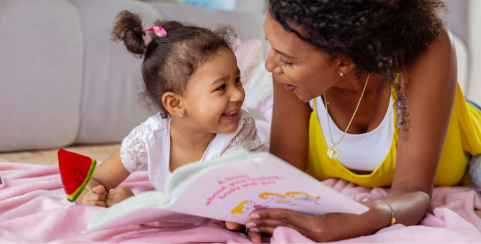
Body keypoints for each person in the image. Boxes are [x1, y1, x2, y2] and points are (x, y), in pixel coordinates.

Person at [226, 0, 481, 243]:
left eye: (287, 59)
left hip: (467, 141)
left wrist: (360, 219)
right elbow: (283, 177)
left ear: (344, 61)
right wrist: (255, 213)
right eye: (271, 44)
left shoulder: (427, 51)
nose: (270, 65)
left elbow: (413, 190)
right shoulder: (290, 77)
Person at [75, 11, 263, 207]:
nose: (239, 95)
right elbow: (97, 180)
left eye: (237, 80)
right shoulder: (149, 137)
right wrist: (89, 195)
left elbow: (232, 205)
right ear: (175, 104)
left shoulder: (239, 137)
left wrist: (138, 205)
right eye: (221, 87)